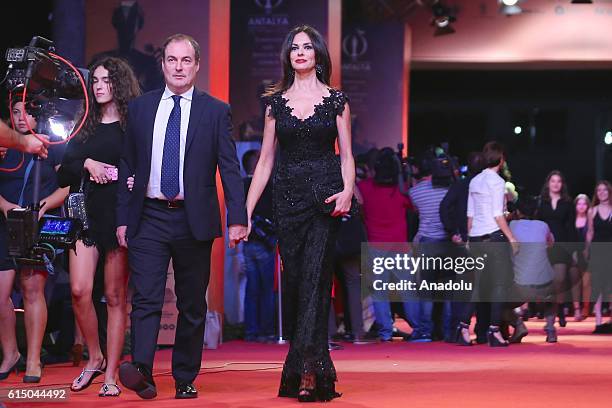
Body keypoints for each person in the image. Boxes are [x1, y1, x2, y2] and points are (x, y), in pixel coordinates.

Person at [115, 34, 247, 400]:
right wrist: (123, 218)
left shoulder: (215, 110)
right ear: (162, 64)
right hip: (149, 216)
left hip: (193, 218)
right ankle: (142, 372)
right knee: (146, 299)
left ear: (197, 65)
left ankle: (185, 376)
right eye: (171, 59)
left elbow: (229, 168)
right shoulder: (140, 108)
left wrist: (238, 216)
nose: (178, 66)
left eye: (185, 60)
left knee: (192, 304)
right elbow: (128, 162)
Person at [245, 25, 355, 402]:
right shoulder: (275, 104)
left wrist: (348, 190)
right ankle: (303, 366)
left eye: (307, 47)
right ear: (287, 56)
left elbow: (347, 154)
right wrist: (244, 212)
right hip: (286, 200)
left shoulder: (337, 100)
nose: (300, 52)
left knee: (315, 280)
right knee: (296, 284)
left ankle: (308, 370)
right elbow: (264, 162)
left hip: (325, 197)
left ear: (318, 55)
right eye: (294, 48)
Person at [57, 56, 141, 396]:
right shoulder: (85, 123)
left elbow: (143, 163)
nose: (100, 86)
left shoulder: (133, 124)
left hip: (118, 214)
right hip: (84, 214)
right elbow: (63, 169)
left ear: (119, 84)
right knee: (79, 290)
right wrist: (87, 163)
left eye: (107, 80)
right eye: (96, 81)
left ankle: (111, 375)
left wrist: (131, 177)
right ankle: (94, 357)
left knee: (116, 296)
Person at [0, 99, 68, 382]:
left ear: (37, 115)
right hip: (5, 223)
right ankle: (10, 353)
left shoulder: (52, 145)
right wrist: (4, 206)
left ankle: (33, 359)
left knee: (32, 289)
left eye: (25, 111)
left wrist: (41, 206)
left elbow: (67, 186)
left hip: (39, 224)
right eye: (15, 111)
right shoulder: (5, 147)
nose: (19, 116)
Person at [464, 141, 518, 347]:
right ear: (501, 159)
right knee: (498, 286)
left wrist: (469, 238)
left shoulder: (475, 181)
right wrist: (512, 239)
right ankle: (494, 331)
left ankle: (462, 327)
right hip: (493, 238)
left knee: (478, 286)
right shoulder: (497, 182)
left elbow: (470, 214)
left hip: (476, 237)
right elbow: (498, 215)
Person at [509, 196, 557, 343]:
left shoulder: (511, 226)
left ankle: (518, 324)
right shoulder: (543, 226)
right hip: (545, 283)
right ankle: (550, 329)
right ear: (536, 211)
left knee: (497, 301)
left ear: (517, 211)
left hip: (521, 286)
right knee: (551, 297)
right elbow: (551, 244)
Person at [242, 149, 276, 343]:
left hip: (247, 243)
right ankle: (266, 330)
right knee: (266, 290)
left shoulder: (241, 185)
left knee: (251, 289)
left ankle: (250, 331)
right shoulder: (266, 187)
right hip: (264, 243)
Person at [537, 171, 576, 327]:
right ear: (548, 183)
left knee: (559, 280)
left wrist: (573, 249)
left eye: (559, 181)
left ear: (562, 184)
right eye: (553, 181)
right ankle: (551, 318)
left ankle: (559, 308)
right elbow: (537, 225)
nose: (555, 184)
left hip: (561, 246)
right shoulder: (541, 202)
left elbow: (571, 228)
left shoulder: (568, 203)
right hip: (544, 247)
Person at [584, 181, 612, 333]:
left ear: (609, 192)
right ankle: (599, 320)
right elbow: (590, 232)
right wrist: (587, 250)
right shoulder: (592, 211)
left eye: (604, 190)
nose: (602, 193)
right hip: (598, 251)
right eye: (599, 190)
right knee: (598, 285)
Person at [572, 194, 591, 321]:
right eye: (579, 203)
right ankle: (577, 309)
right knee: (575, 282)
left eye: (584, 203)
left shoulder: (591, 220)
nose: (581, 206)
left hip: (587, 253)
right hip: (573, 253)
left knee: (586, 282)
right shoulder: (571, 220)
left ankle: (586, 307)